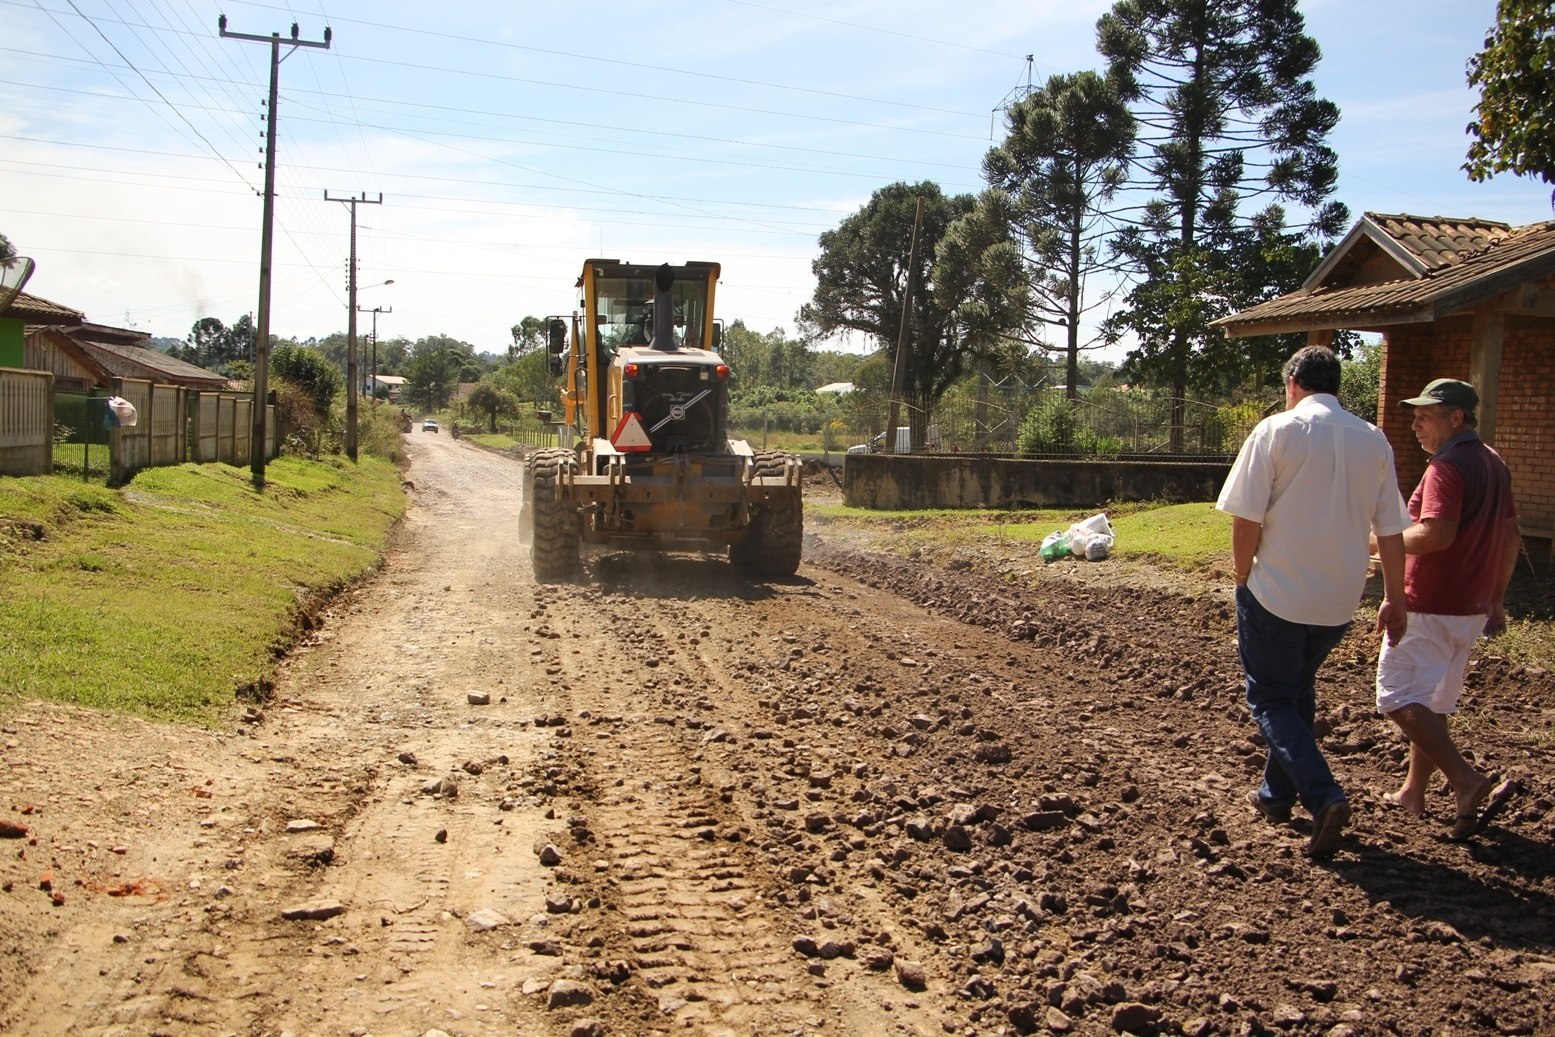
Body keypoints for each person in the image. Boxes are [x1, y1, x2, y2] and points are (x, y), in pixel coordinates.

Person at [1216, 346, 1411, 859]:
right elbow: (1391, 529)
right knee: (1297, 691)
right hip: (1338, 601)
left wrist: (1242, 575)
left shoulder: (1277, 431)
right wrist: (1395, 596)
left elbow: (1246, 519)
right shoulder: (1373, 439)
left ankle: (1323, 797)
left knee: (1270, 699)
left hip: (1277, 592)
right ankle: (1275, 796)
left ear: (1294, 383)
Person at [1375, 378, 1520, 839]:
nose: (1415, 422)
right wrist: (1495, 598)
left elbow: (1437, 533)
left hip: (1430, 602)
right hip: (1470, 608)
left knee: (1396, 695)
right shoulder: (1493, 463)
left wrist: (1378, 543)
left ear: (1456, 418)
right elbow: (1512, 537)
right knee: (1432, 699)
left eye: (1426, 415)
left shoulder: (1448, 466)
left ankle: (1465, 779)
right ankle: (1413, 792)